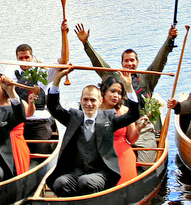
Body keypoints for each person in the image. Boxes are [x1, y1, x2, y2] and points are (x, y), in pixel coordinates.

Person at [74, 23, 178, 162]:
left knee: (146, 163)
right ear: (122, 64)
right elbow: (99, 64)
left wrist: (169, 39)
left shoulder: (147, 78)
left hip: (142, 125)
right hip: (119, 125)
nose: (129, 64)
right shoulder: (114, 80)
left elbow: (160, 60)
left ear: (137, 62)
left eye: (132, 60)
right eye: (126, 61)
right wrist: (86, 43)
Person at [48, 68, 140, 196]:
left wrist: (129, 87)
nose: (89, 104)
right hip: (75, 173)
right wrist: (57, 80)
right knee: (60, 183)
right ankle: (72, 204)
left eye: (93, 100)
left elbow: (133, 115)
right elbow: (54, 108)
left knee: (85, 181)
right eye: (85, 100)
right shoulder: (74, 118)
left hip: (99, 173)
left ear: (100, 101)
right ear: (81, 100)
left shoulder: (109, 119)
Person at [13, 42, 54, 152]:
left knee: (41, 150)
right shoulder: (11, 77)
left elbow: (62, 61)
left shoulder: (42, 75)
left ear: (32, 57)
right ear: (17, 59)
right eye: (21, 58)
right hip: (20, 121)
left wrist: (64, 34)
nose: (24, 61)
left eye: (27, 57)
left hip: (40, 120)